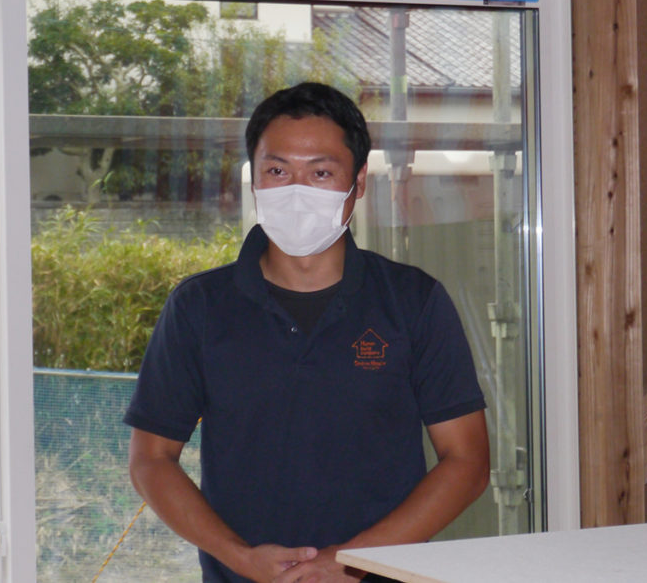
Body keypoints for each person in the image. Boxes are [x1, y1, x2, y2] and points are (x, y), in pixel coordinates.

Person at [124, 82, 489, 583]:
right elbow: (151, 459)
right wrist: (239, 556)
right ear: (254, 178)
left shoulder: (413, 301)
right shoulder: (199, 306)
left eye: (320, 172)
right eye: (277, 171)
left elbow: (467, 461)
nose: (296, 192)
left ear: (358, 181)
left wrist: (352, 560)